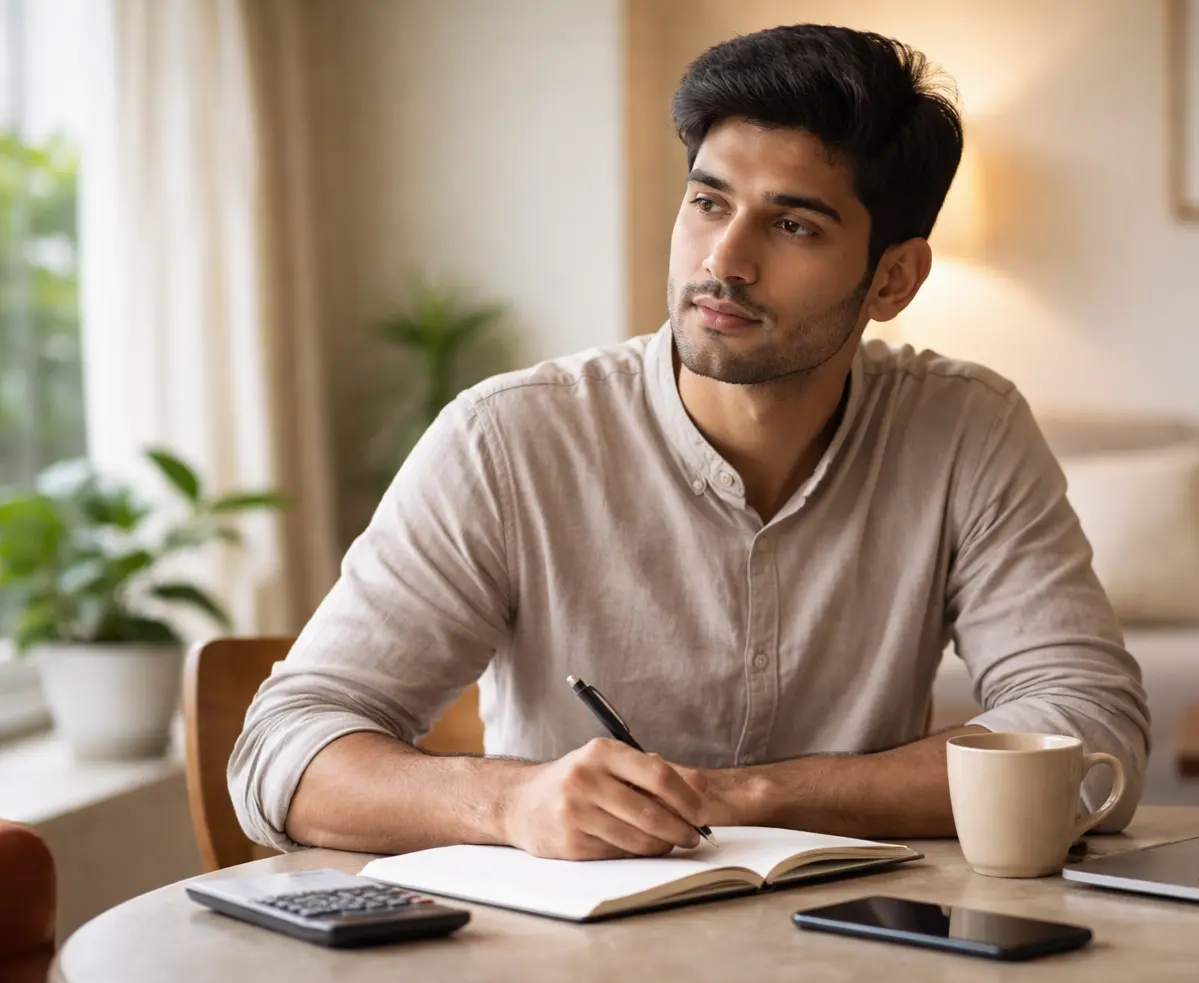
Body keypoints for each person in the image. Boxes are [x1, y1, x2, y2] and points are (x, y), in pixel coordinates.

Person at [230, 24, 1149, 861]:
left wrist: (745, 796)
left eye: (792, 224)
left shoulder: (966, 431)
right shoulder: (508, 438)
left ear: (894, 279)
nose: (724, 261)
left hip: (868, 960)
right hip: (562, 970)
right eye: (709, 203)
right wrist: (508, 802)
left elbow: (1089, 728)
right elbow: (286, 748)